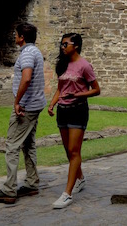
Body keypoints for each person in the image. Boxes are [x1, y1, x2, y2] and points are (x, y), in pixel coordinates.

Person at [0, 22, 46, 204]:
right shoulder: (35, 51)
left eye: (16, 34)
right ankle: (32, 182)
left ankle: (9, 190)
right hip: (35, 104)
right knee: (28, 144)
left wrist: (17, 102)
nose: (14, 37)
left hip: (26, 107)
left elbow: (27, 77)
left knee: (12, 146)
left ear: (22, 37)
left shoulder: (28, 54)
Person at [47, 33, 101, 209]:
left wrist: (77, 94)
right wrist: (52, 104)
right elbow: (60, 89)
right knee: (69, 152)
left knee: (74, 150)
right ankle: (80, 179)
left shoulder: (84, 65)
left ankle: (67, 194)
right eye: (61, 44)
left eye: (65, 44)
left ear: (75, 45)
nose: (62, 47)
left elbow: (96, 90)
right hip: (63, 111)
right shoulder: (63, 65)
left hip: (78, 110)